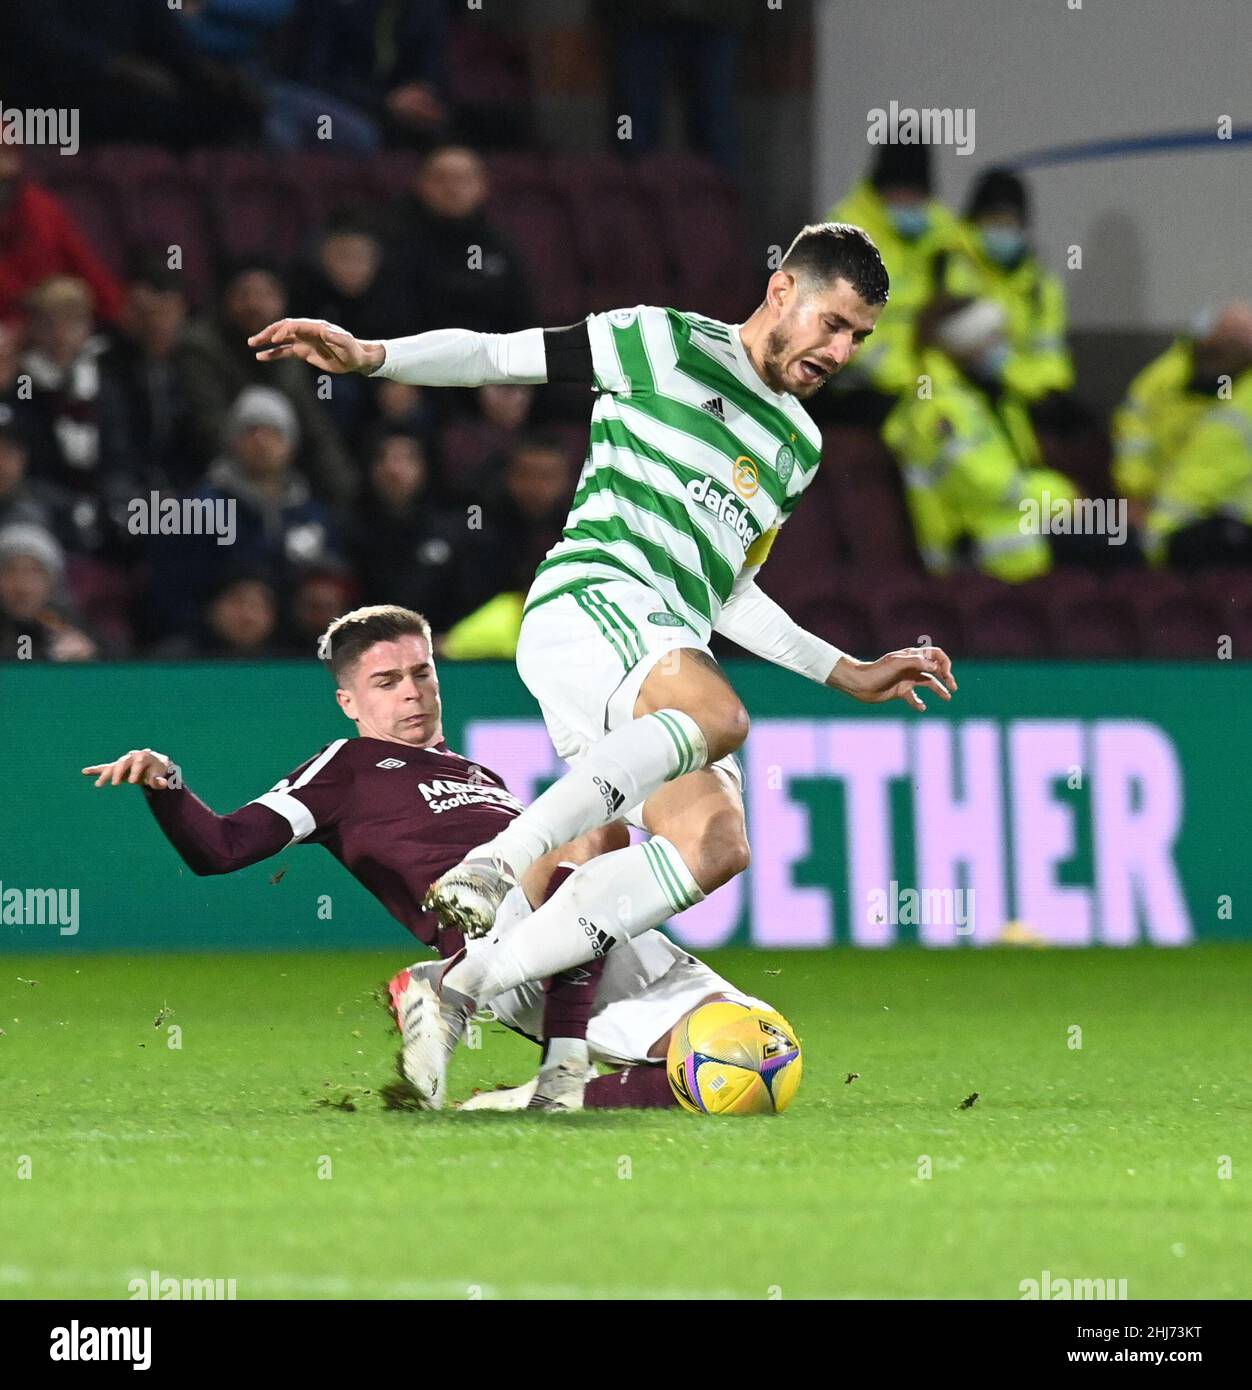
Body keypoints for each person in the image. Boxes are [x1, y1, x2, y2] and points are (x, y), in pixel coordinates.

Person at [248, 220, 958, 1107]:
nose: (840, 349)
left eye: (858, 337)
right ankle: (501, 861)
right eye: (833, 321)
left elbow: (730, 590)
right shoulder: (663, 342)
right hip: (593, 598)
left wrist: (843, 669)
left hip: (661, 644)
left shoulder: (797, 447)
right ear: (782, 290)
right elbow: (500, 357)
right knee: (722, 719)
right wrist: (373, 356)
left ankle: (456, 988)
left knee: (715, 843)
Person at [82, 604, 776, 1112]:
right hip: (504, 940)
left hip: (587, 928)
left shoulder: (481, 773)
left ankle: (527, 1101)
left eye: (422, 673)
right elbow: (222, 849)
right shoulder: (345, 766)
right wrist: (168, 787)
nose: (412, 692)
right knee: (584, 833)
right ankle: (535, 1042)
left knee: (759, 1061)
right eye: (387, 683)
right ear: (349, 702)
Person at [882, 295, 1079, 582]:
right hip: (978, 549)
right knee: (1115, 541)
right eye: (992, 339)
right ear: (964, 347)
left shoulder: (988, 396)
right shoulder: (938, 409)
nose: (1003, 347)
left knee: (1117, 534)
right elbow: (984, 485)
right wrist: (1065, 498)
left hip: (1018, 526)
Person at [1113, 301, 1252, 566]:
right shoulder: (1167, 376)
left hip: (1225, 525)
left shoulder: (1236, 412)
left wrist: (1154, 539)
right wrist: (1137, 492)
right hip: (1162, 502)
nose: (1216, 355)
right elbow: (1133, 434)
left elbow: (1196, 483)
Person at [826, 146, 966, 406]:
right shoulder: (846, 235)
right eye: (901, 193)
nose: (909, 202)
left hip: (930, 379)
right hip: (864, 383)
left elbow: (959, 300)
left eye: (917, 194)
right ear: (881, 190)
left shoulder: (942, 232)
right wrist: (906, 376)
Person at [940, 168, 1076, 407]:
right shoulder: (946, 266)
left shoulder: (1041, 284)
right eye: (994, 221)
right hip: (952, 397)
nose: (1003, 230)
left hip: (1018, 402)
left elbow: (1055, 368)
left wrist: (1006, 369)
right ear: (974, 221)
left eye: (1010, 222)